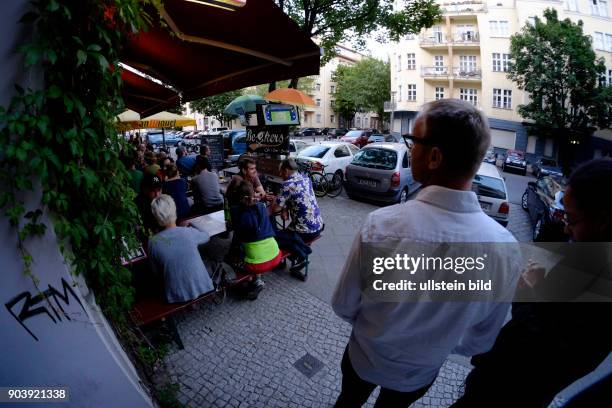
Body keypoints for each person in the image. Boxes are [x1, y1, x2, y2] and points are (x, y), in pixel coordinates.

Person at [331, 99, 522, 407]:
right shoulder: (505, 249)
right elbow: (479, 340)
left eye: (412, 141)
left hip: (365, 358)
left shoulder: (381, 225)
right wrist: (432, 342)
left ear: (434, 156)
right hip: (417, 376)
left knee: (348, 402)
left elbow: (343, 304)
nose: (409, 149)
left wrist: (379, 330)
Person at [452, 158, 612, 408]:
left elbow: (534, 338)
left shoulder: (591, 274)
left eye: (571, 219)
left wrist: (529, 290)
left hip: (504, 394)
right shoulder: (590, 256)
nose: (567, 229)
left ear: (603, 220)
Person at [147, 194, 214, 303]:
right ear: (174, 210)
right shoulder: (187, 232)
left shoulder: (153, 242)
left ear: (156, 216)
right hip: (202, 287)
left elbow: (156, 273)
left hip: (174, 294)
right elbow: (206, 236)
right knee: (208, 260)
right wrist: (191, 224)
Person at [267, 158, 324, 281]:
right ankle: (295, 259)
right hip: (318, 225)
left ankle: (299, 254)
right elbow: (297, 198)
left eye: (281, 172)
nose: (280, 174)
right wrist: (285, 208)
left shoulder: (287, 185)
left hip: (305, 231)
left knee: (274, 236)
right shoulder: (305, 178)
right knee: (286, 232)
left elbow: (275, 209)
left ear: (286, 170)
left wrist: (274, 202)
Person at [230, 180, 282, 299]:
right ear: (253, 192)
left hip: (258, 265)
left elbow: (237, 235)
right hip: (276, 255)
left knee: (236, 258)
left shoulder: (236, 210)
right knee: (253, 250)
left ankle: (251, 281)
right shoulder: (262, 206)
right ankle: (257, 280)